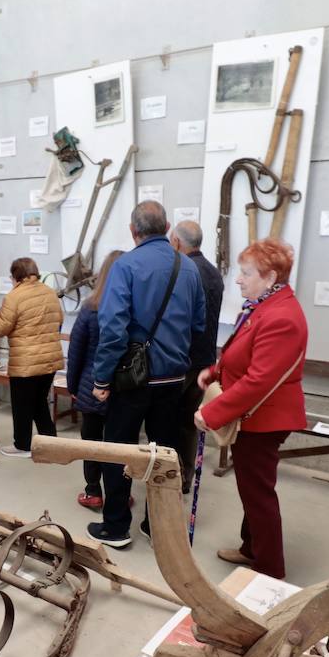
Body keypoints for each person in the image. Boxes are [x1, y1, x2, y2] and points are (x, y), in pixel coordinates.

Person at [88, 201, 206, 548]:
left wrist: (101, 379)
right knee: (163, 452)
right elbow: (198, 323)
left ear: (132, 230)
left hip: (133, 379)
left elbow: (112, 329)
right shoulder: (187, 267)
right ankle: (156, 525)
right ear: (167, 225)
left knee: (119, 449)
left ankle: (115, 526)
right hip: (173, 378)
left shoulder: (125, 266)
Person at [194, 239, 307, 579]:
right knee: (251, 488)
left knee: (257, 493)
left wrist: (211, 413)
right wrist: (215, 372)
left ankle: (270, 569)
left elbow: (260, 380)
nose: (239, 280)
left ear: (270, 276)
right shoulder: (264, 305)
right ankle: (251, 548)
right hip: (255, 414)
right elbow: (243, 353)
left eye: (246, 273)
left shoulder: (282, 317)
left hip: (265, 418)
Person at [65, 250, 124, 509]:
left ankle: (93, 491)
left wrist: (73, 387)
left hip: (91, 385)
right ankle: (118, 493)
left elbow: (76, 351)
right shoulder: (132, 309)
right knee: (119, 445)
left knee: (91, 442)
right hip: (123, 388)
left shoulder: (90, 307)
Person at [169, 219, 225, 493]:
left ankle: (168, 478)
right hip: (204, 359)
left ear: (177, 243)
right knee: (188, 424)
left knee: (168, 422)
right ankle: (184, 479)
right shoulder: (213, 272)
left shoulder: (186, 272)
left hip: (183, 361)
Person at [0, 257, 64, 457]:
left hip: (26, 361)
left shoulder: (15, 297)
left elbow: (0, 327)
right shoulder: (50, 293)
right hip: (50, 360)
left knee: (22, 405)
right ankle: (50, 444)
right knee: (40, 402)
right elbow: (60, 319)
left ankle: (22, 445)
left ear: (16, 276)